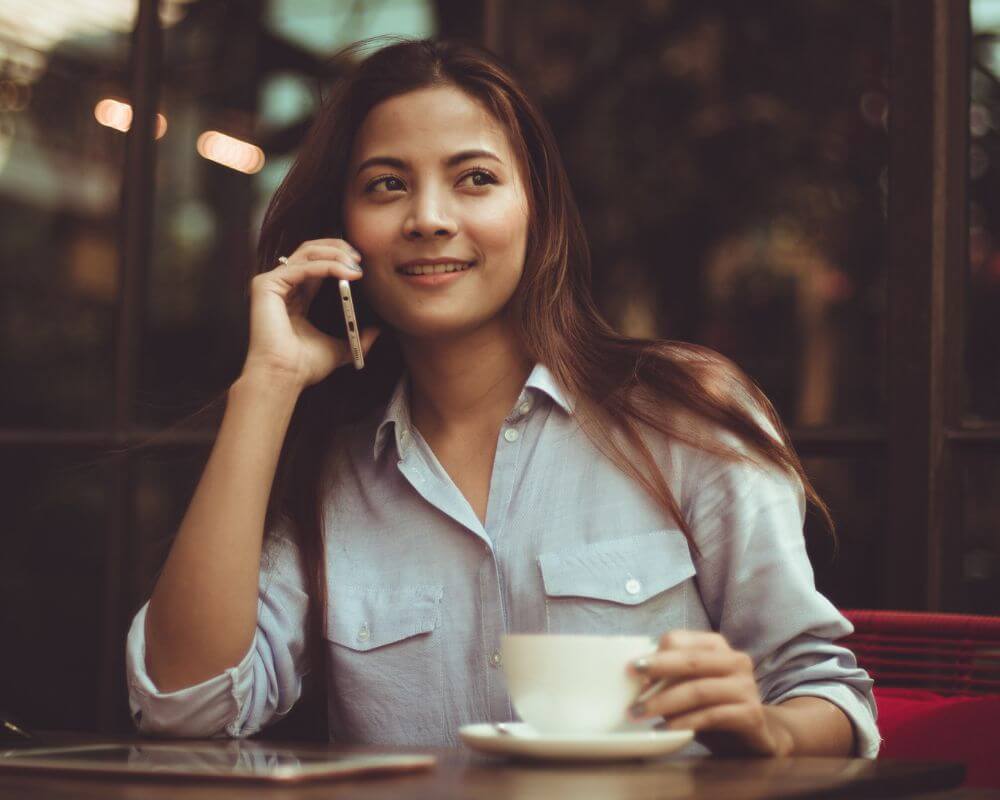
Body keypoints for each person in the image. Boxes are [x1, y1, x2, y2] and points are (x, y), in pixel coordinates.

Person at [125, 36, 880, 759]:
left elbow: (826, 693)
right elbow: (183, 706)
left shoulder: (681, 414)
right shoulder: (330, 472)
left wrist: (769, 730)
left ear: (535, 211)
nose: (428, 217)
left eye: (475, 178)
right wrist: (266, 385)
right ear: (344, 231)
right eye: (387, 184)